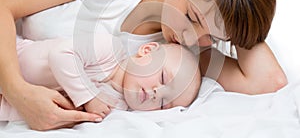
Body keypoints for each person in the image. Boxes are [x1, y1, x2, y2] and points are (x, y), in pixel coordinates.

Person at [0, 0, 287, 130]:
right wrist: (18, 92)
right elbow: (4, 3)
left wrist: (242, 17)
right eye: (191, 16)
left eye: (212, 37)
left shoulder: (179, 60)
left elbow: (270, 81)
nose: (190, 38)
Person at [0, 34, 201, 121]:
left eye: (165, 104)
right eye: (164, 78)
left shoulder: (117, 107)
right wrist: (89, 97)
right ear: (146, 50)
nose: (157, 93)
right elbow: (60, 55)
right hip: (10, 58)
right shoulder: (109, 49)